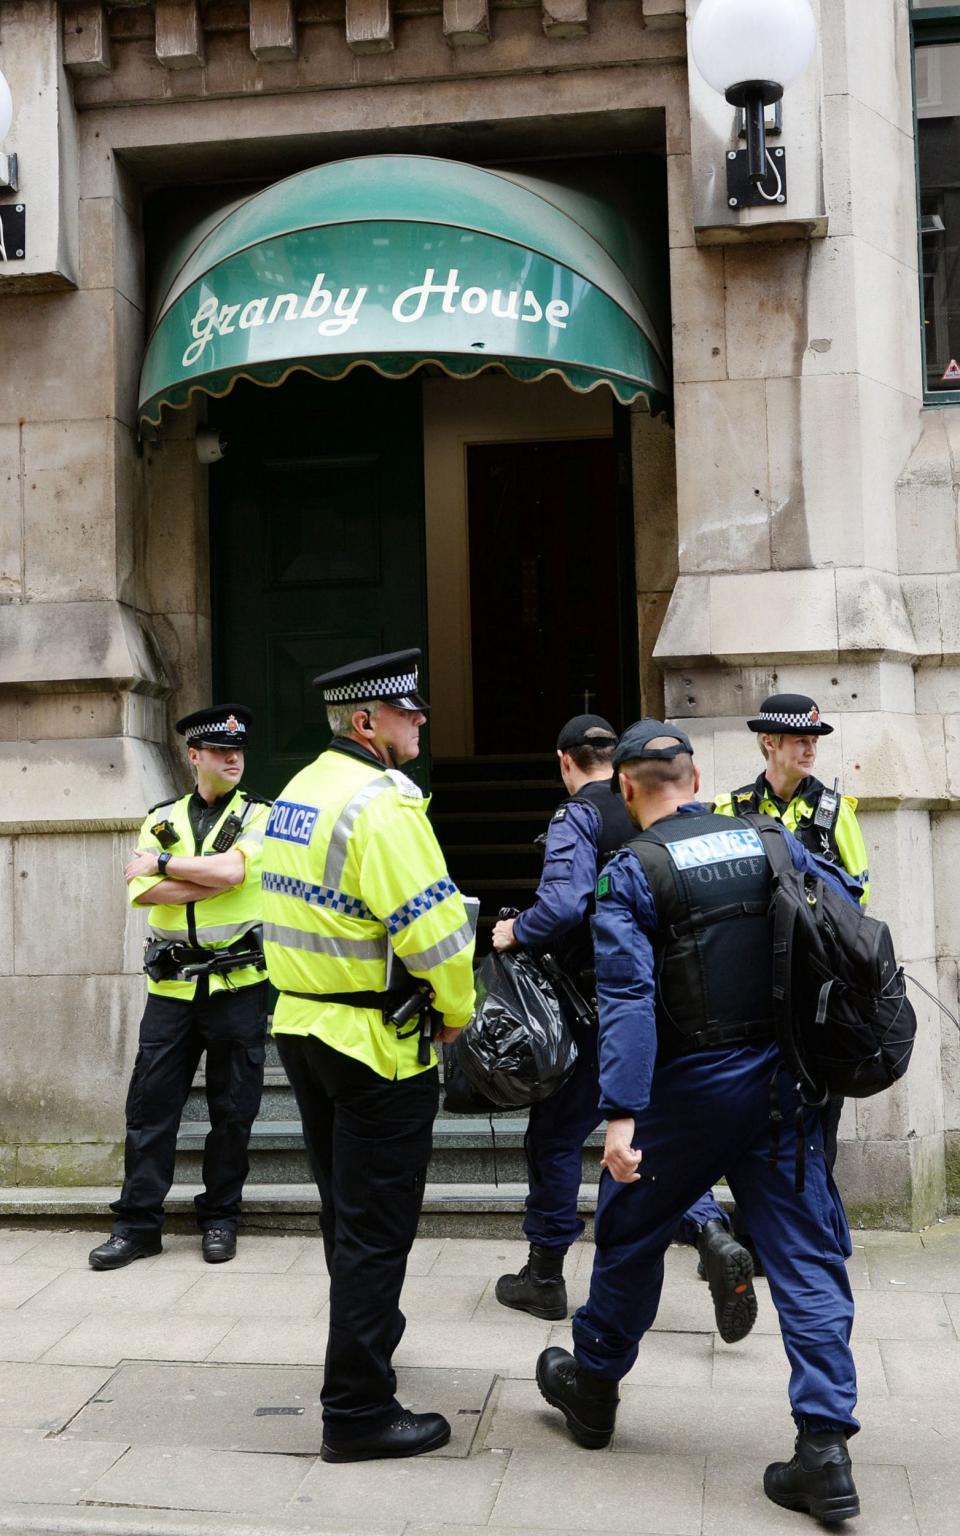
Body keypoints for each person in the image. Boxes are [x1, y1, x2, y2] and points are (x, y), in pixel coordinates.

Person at [536, 720, 864, 1525]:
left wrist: (619, 1117)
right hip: (784, 1086)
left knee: (630, 1231)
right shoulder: (770, 841)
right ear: (697, 776)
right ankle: (824, 1451)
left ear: (625, 788)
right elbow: (848, 916)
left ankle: (595, 1388)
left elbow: (627, 1003)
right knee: (806, 1253)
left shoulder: (632, 873)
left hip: (686, 1096)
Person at [261, 648, 476, 1465]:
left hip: (304, 1027)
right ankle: (356, 1410)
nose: (420, 719)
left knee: (344, 1211)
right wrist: (457, 1012)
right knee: (376, 1229)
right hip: (376, 1044)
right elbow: (437, 933)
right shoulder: (382, 806)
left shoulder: (298, 792)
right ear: (365, 723)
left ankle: (371, 1333)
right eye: (407, 711)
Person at [492, 716, 756, 1345]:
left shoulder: (576, 817)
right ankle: (712, 1232)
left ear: (565, 762)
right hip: (676, 1007)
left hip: (598, 1003)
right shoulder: (671, 818)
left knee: (555, 1137)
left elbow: (563, 904)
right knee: (655, 1143)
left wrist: (515, 930)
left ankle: (546, 1273)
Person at [89, 705, 271, 1271]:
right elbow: (141, 894)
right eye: (220, 750)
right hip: (170, 989)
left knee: (233, 1109)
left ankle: (220, 1219)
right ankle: (138, 1225)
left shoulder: (263, 815)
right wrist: (205, 876)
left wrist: (168, 865)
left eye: (237, 750)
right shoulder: (161, 816)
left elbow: (236, 875)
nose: (233, 758)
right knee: (149, 1108)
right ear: (195, 756)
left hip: (238, 984)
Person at [714, 692, 869, 1173]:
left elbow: (858, 896)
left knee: (822, 1106)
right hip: (752, 984)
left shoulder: (835, 811)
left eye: (814, 740)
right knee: (752, 1106)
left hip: (816, 984)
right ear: (768, 742)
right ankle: (758, 1225)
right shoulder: (730, 809)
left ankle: (820, 1225)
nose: (809, 749)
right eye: (799, 740)